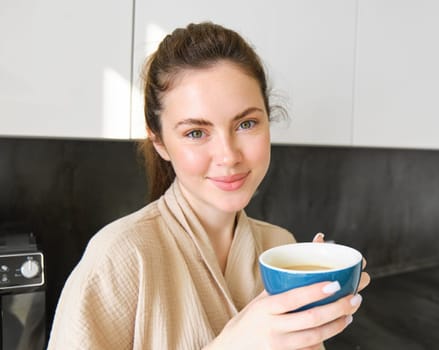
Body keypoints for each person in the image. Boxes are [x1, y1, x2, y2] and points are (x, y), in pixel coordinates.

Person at [47, 22, 370, 349]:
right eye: (196, 133)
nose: (228, 156)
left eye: (246, 124)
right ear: (159, 141)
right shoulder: (119, 257)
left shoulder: (279, 247)